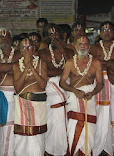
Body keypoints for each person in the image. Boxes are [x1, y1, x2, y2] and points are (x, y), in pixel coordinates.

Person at [60, 36, 103, 155]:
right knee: (74, 128)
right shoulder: (69, 63)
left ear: (89, 46)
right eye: (80, 44)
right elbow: (62, 82)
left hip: (89, 99)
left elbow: (100, 83)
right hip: (75, 99)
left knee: (89, 131)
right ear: (75, 46)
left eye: (85, 44)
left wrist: (93, 93)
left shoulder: (96, 63)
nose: (82, 46)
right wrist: (74, 91)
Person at [39, 24, 74, 156]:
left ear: (62, 35)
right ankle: (49, 150)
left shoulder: (69, 52)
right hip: (50, 91)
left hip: (66, 89)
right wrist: (63, 71)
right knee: (51, 122)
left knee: (64, 120)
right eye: (51, 34)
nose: (54, 37)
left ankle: (64, 150)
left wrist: (63, 50)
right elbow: (44, 71)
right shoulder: (42, 53)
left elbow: (74, 69)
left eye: (56, 34)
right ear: (47, 37)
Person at [0, 28, 22, 156]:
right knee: (0, 127)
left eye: (7, 37)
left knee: (14, 127)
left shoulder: (19, 53)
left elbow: (22, 66)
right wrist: (15, 66)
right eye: (1, 37)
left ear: (11, 39)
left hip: (17, 96)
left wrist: (3, 68)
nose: (4, 39)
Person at [13, 38, 48, 155]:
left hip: (38, 106)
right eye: (24, 47)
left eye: (29, 47)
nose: (27, 50)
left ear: (33, 49)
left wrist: (32, 68)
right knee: (23, 139)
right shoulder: (16, 66)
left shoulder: (42, 63)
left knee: (37, 138)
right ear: (20, 50)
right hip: (22, 106)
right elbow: (17, 88)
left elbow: (43, 84)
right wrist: (26, 68)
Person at [89, 21, 114, 156]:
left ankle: (110, 147)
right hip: (98, 82)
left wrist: (103, 64)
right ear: (100, 33)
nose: (107, 32)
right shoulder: (94, 47)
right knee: (99, 113)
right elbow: (92, 64)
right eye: (104, 30)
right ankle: (98, 147)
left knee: (112, 113)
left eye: (110, 30)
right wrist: (111, 64)